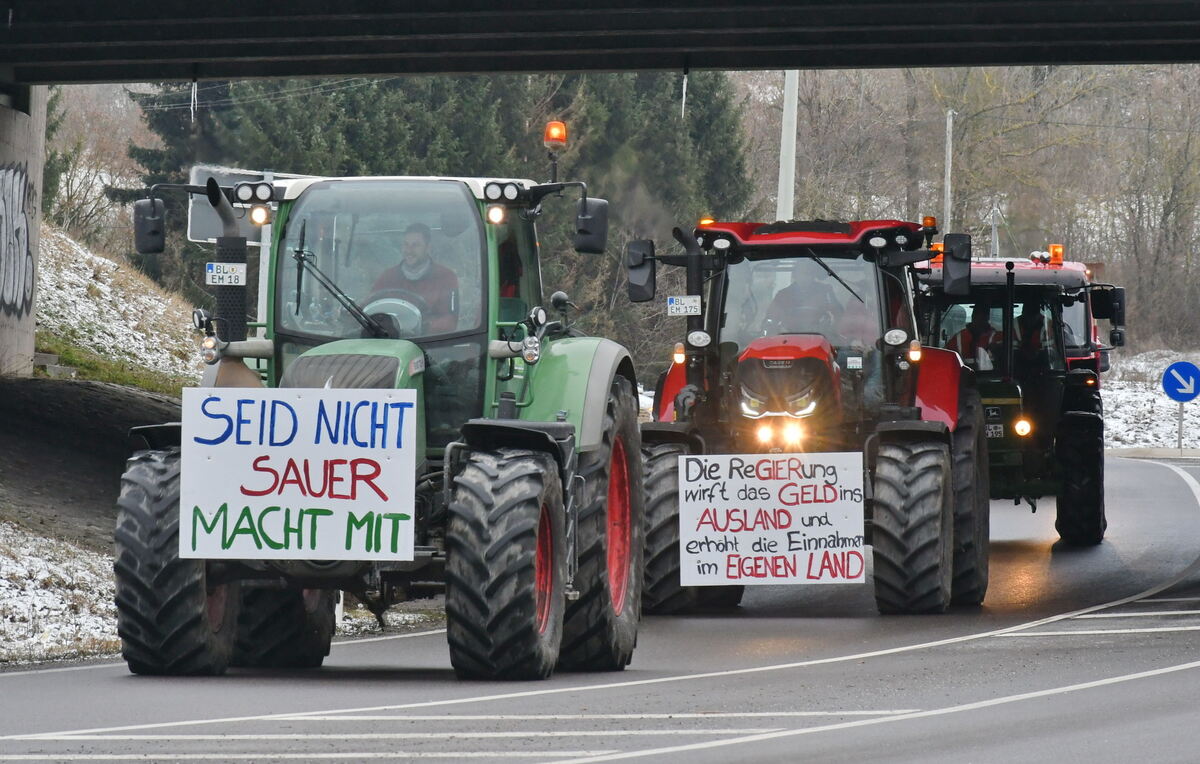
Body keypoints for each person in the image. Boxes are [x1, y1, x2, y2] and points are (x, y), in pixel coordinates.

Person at [371, 223, 459, 334]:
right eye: (406, 244)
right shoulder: (388, 276)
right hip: (390, 338)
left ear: (428, 248)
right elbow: (369, 306)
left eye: (415, 245)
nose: (409, 250)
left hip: (429, 340)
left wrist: (422, 327)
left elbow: (450, 320)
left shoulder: (446, 277)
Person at [764, 259, 840, 333]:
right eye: (802, 273)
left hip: (821, 335)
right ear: (794, 275)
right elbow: (771, 319)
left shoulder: (825, 291)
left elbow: (838, 314)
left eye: (808, 273)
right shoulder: (782, 295)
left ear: (814, 275)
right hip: (789, 336)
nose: (805, 277)